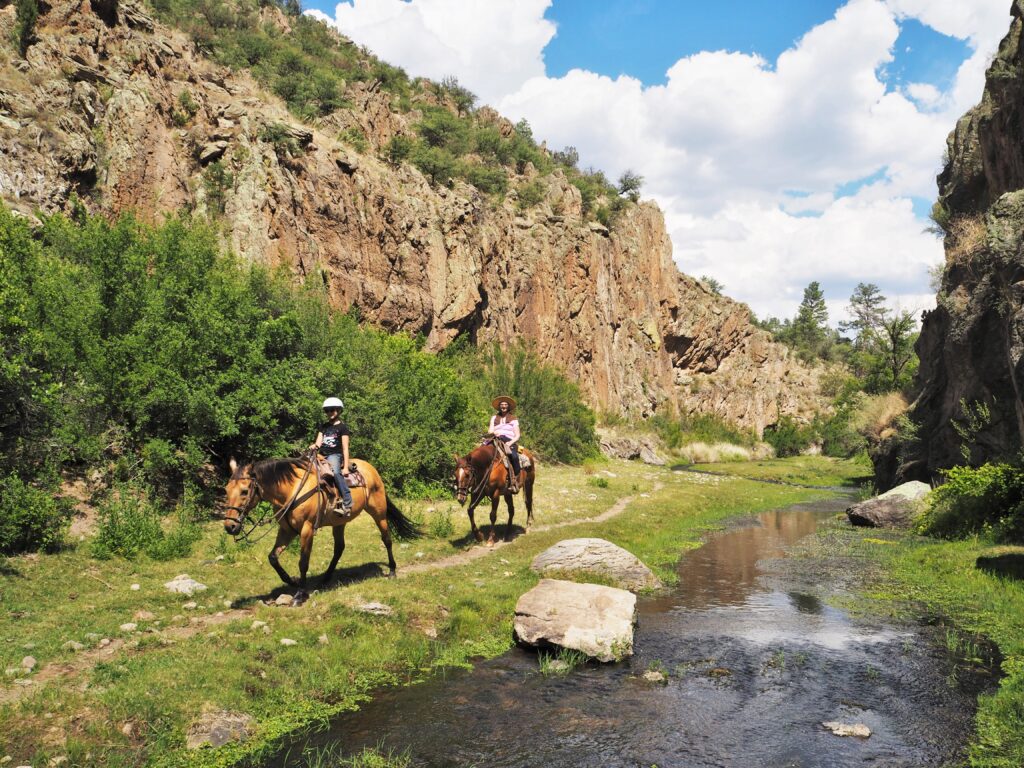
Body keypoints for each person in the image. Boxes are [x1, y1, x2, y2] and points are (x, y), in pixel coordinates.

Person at [309, 397, 353, 514]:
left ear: (338, 410)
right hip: (321, 455)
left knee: (336, 473)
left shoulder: (342, 428)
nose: (329, 413)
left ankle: (347, 502)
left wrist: (345, 467)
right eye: (327, 410)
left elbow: (345, 448)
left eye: (331, 410)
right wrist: (314, 446)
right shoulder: (324, 426)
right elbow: (318, 442)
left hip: (335, 455)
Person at [488, 395, 521, 494]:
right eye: (502, 405)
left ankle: (514, 480)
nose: (503, 406)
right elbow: (490, 430)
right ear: (499, 407)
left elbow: (517, 435)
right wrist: (493, 433)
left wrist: (510, 442)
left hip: (509, 440)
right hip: (495, 438)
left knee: (514, 456)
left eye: (505, 405)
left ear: (508, 406)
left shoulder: (513, 419)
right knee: (481, 452)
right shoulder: (494, 417)